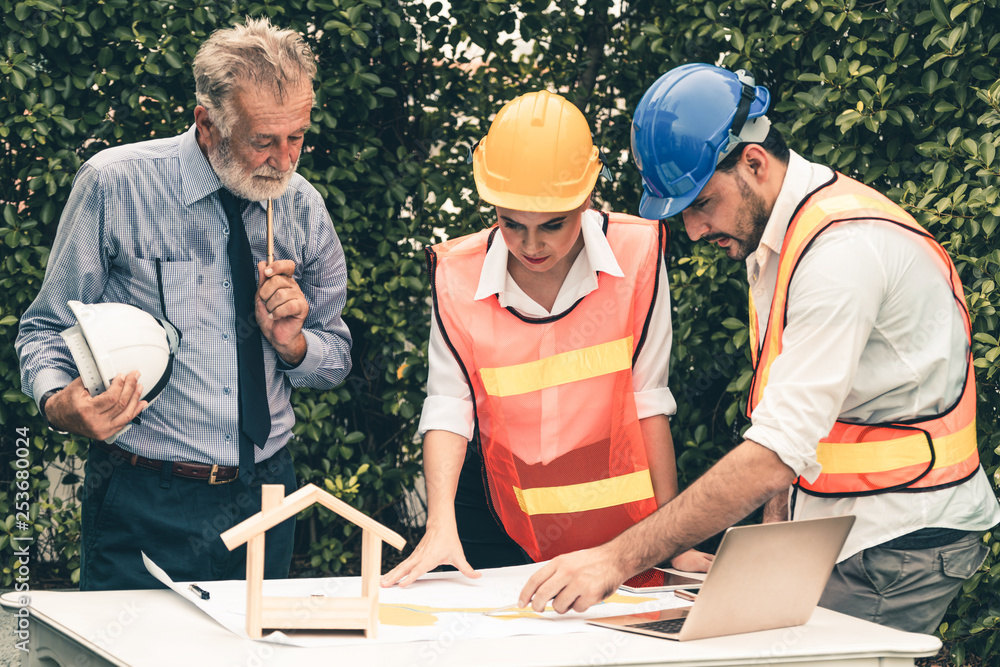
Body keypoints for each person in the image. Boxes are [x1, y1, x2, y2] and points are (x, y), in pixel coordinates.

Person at [518, 64, 1000, 634]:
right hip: (847, 527)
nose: (694, 230)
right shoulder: (781, 236)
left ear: (753, 162)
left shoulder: (839, 255)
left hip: (900, 538)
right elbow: (796, 424)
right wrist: (772, 548)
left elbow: (775, 452)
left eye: (701, 204)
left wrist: (615, 559)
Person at [15, 17, 352, 590]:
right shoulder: (115, 183)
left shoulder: (302, 206)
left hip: (267, 494)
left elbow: (336, 357)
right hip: (143, 497)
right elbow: (44, 330)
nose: (285, 159)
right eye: (263, 140)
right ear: (208, 123)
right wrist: (60, 404)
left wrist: (293, 343)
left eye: (296, 135)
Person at [382, 91, 711, 590]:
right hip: (497, 512)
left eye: (552, 225)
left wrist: (670, 536)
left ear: (586, 198)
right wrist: (440, 525)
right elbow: (448, 406)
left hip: (617, 517)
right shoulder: (457, 274)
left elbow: (649, 401)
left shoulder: (638, 251)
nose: (531, 246)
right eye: (511, 223)